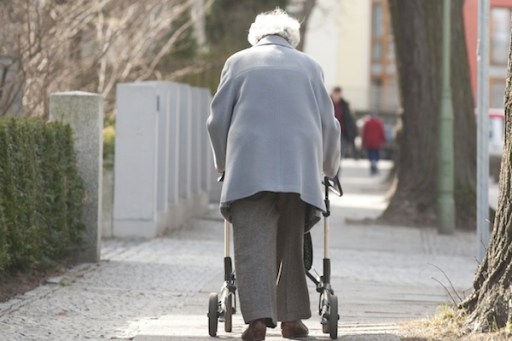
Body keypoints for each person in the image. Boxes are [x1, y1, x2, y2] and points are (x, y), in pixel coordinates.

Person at [207, 9, 340, 341]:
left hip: (249, 164)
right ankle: (291, 320)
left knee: (252, 243)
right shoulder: (311, 67)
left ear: (256, 37)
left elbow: (216, 122)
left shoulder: (237, 63)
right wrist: (330, 168)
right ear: (291, 39)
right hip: (299, 168)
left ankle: (256, 321)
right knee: (291, 242)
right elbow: (329, 125)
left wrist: (223, 164)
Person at [330, 86, 358, 158]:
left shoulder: (345, 105)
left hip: (342, 133)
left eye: (338, 94)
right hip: (329, 133)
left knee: (340, 152)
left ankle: (337, 167)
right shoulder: (327, 103)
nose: (336, 96)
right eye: (335, 94)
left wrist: (352, 134)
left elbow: (350, 120)